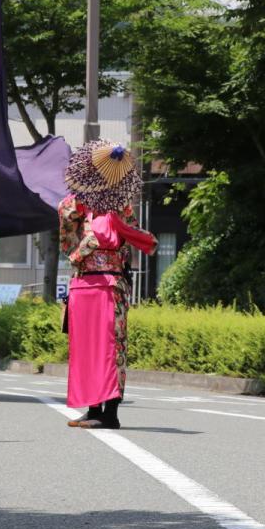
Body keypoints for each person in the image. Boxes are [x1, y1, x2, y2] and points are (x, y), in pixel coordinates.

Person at [60, 141, 156, 430]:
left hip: (111, 284)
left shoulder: (120, 207)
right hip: (82, 284)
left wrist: (111, 219)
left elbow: (138, 238)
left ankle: (110, 412)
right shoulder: (73, 204)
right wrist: (82, 207)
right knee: (85, 349)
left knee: (111, 348)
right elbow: (67, 240)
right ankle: (92, 408)